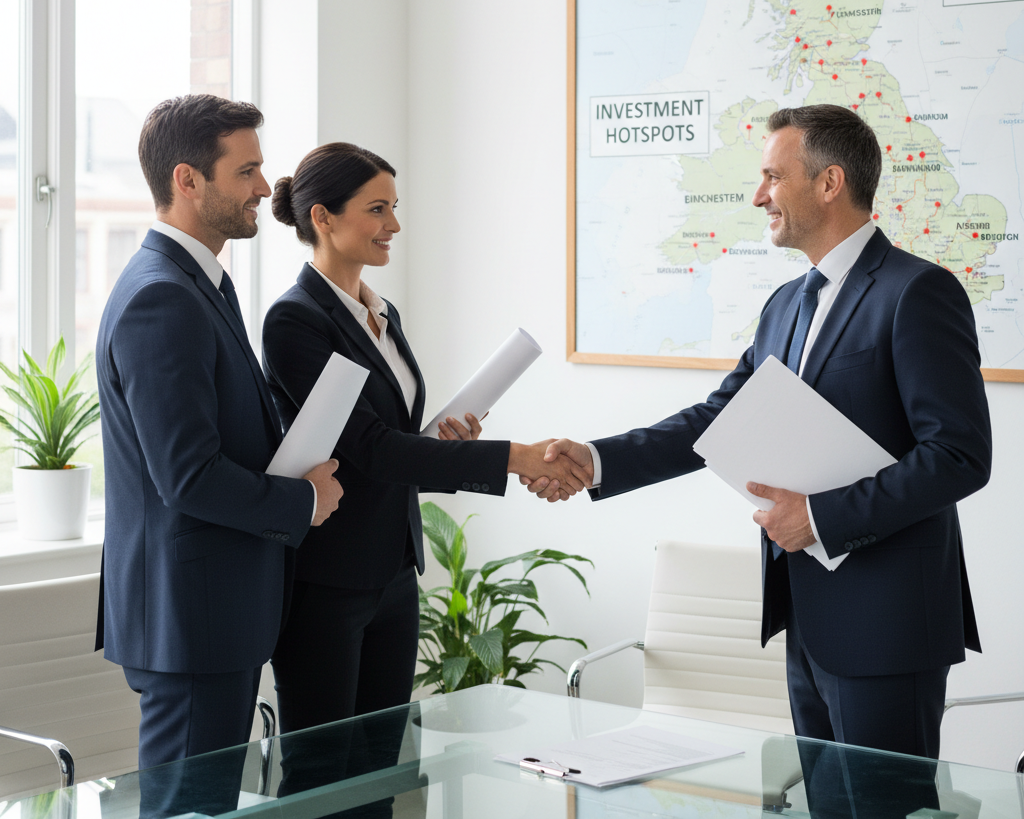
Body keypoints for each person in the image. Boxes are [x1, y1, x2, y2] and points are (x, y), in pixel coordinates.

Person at [527, 103, 991, 761]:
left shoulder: (918, 293)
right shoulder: (785, 305)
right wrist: (596, 460)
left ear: (829, 183)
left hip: (889, 625)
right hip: (806, 621)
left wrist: (822, 518)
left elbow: (958, 455)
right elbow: (716, 419)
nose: (758, 195)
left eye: (774, 177)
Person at [262, 142, 583, 736]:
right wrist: (514, 458)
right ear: (322, 218)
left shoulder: (382, 314)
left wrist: (448, 439)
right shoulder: (295, 321)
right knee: (323, 774)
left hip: (392, 570)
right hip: (328, 580)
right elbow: (373, 448)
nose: (395, 225)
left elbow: (397, 436)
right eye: (378, 209)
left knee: (383, 763)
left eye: (394, 207)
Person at [95, 95, 344, 771]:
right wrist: (302, 501)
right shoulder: (162, 297)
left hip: (212, 613)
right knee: (191, 811)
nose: (266, 187)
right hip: (192, 619)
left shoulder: (200, 283)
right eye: (247, 171)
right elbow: (188, 475)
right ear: (187, 180)